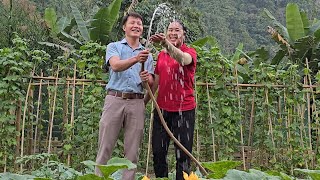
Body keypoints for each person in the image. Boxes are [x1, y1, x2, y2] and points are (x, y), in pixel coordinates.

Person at [95, 12, 154, 180]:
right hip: (114, 99)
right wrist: (136, 59)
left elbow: (149, 80)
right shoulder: (114, 47)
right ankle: (99, 178)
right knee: (105, 146)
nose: (136, 26)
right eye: (132, 23)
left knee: (132, 151)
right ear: (124, 27)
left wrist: (147, 78)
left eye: (139, 24)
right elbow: (115, 65)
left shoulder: (146, 53)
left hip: (137, 102)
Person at [140, 20, 197, 180]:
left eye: (177, 30)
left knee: (183, 155)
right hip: (162, 110)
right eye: (170, 30)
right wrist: (144, 102)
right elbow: (156, 82)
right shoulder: (162, 55)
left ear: (183, 34)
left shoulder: (189, 52)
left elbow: (182, 59)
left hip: (184, 111)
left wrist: (166, 44)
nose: (173, 33)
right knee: (158, 153)